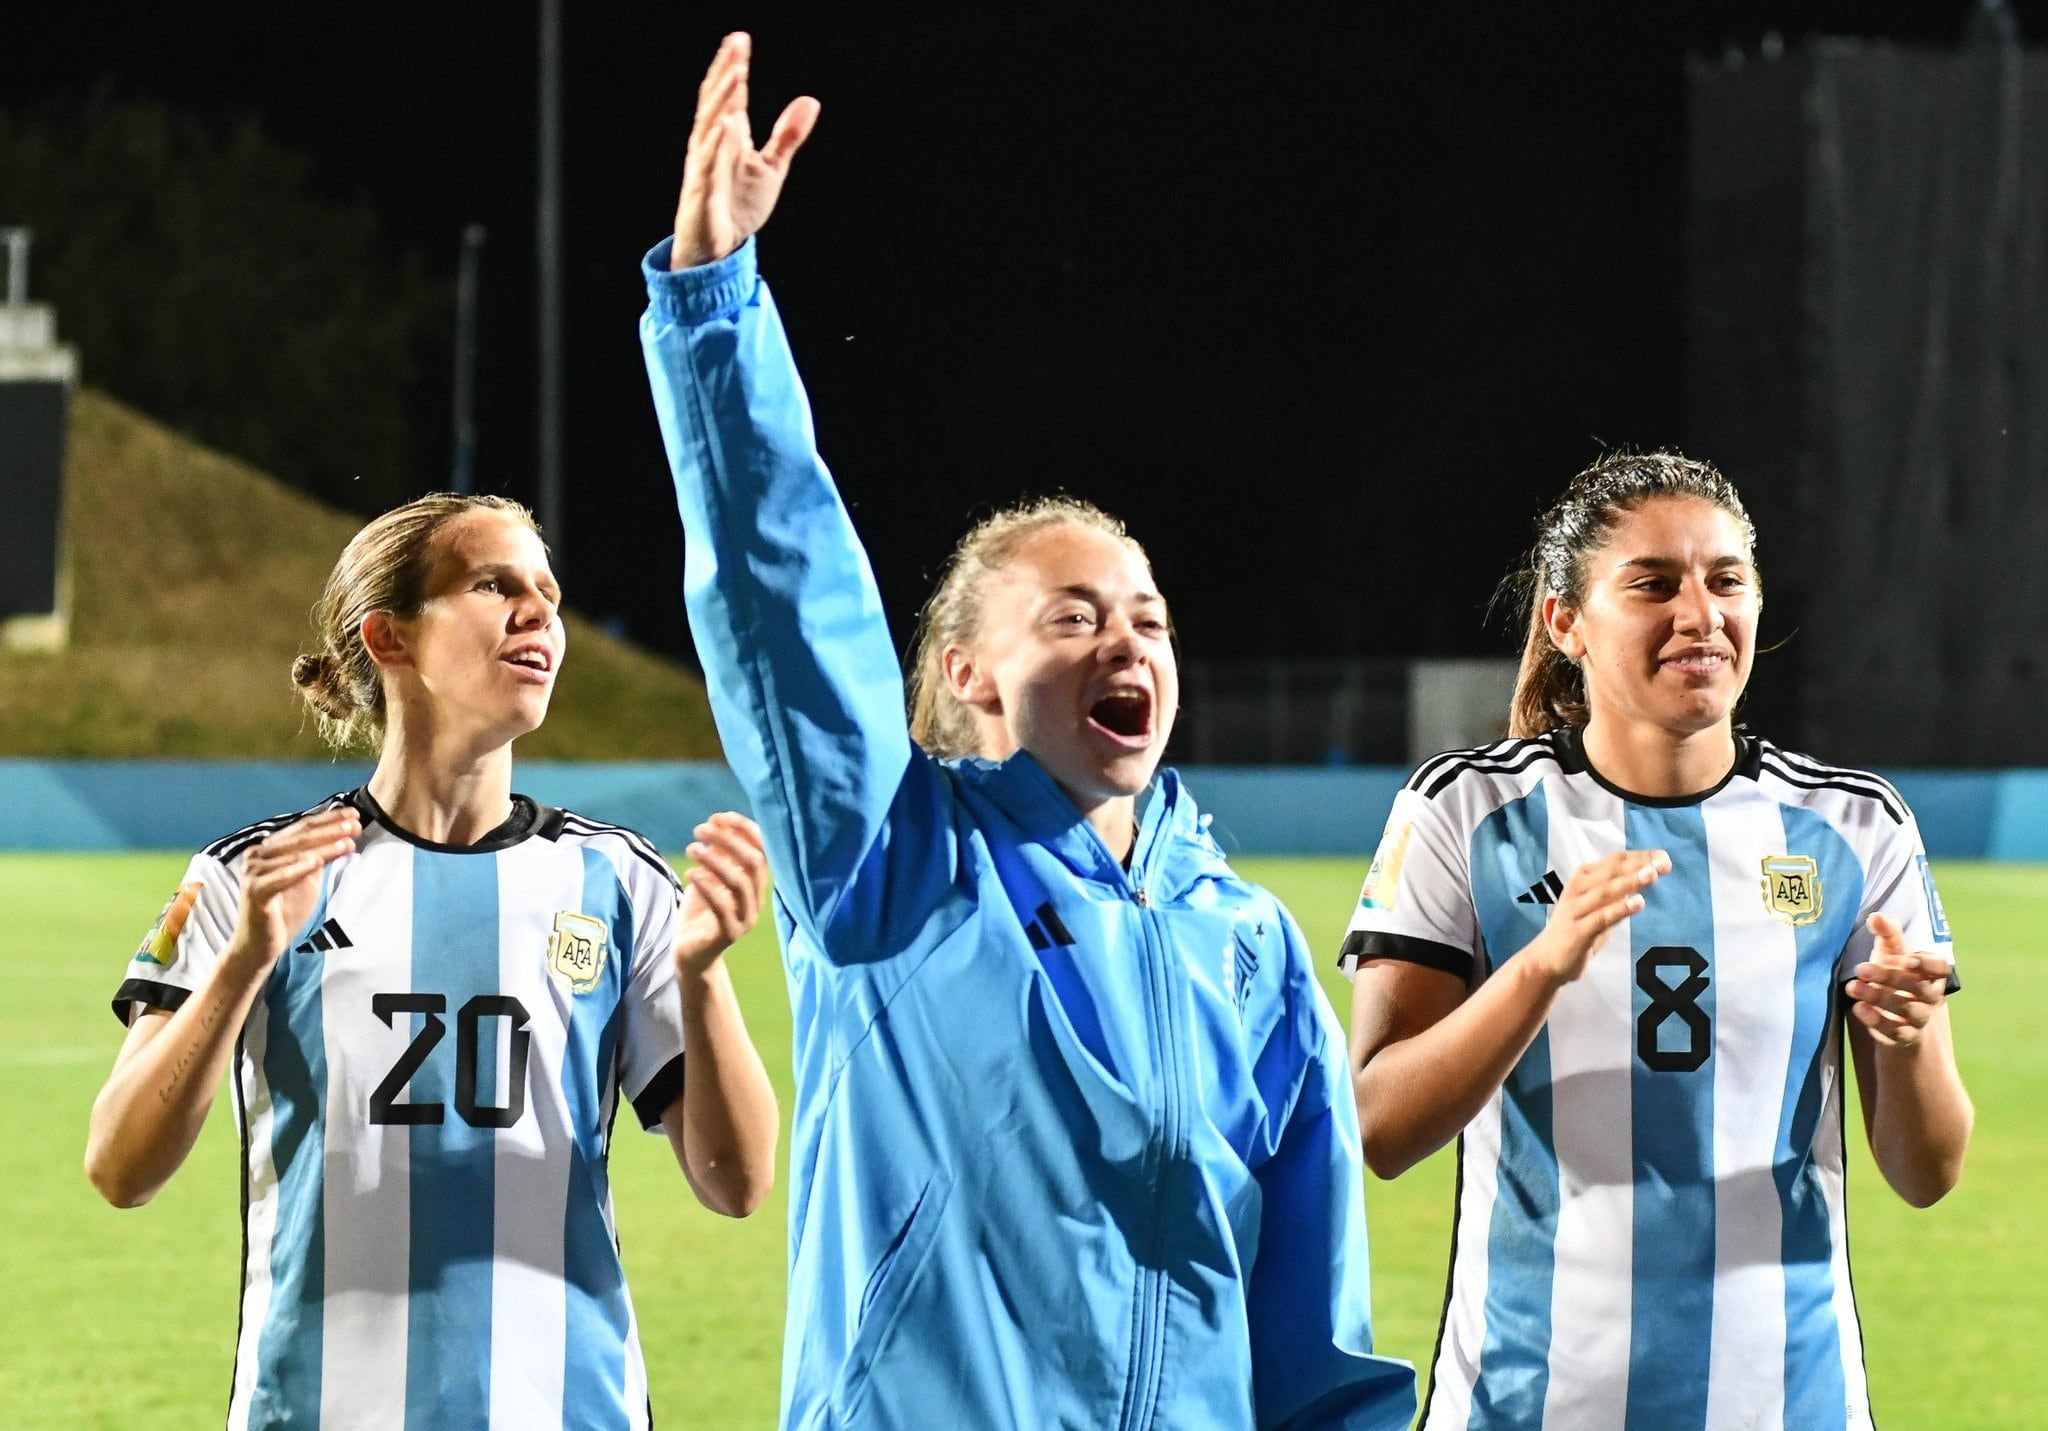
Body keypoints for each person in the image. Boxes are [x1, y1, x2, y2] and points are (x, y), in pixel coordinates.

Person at [636, 31, 1415, 1431]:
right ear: (969, 674)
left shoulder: (1249, 946)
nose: (1127, 640)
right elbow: (786, 602)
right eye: (1072, 616)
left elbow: (1313, 1326)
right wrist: (713, 301)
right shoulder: (893, 870)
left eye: (1148, 618)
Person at [85, 492, 779, 1429]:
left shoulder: (618, 880)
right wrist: (246, 959)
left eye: (548, 594)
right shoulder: (251, 876)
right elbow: (119, 1166)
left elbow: (738, 1181)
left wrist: (701, 974)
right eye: (495, 585)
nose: (539, 614)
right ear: (389, 637)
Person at [1341, 451, 1974, 1429]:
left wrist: (1908, 1034)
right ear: (1565, 622)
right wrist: (1538, 969)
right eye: (1652, 584)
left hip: (1785, 1401)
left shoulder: (1852, 827)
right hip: (1527, 1403)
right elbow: (1379, 1129)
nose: (1699, 613)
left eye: (1725, 580)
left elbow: (1925, 1173)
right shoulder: (1465, 811)